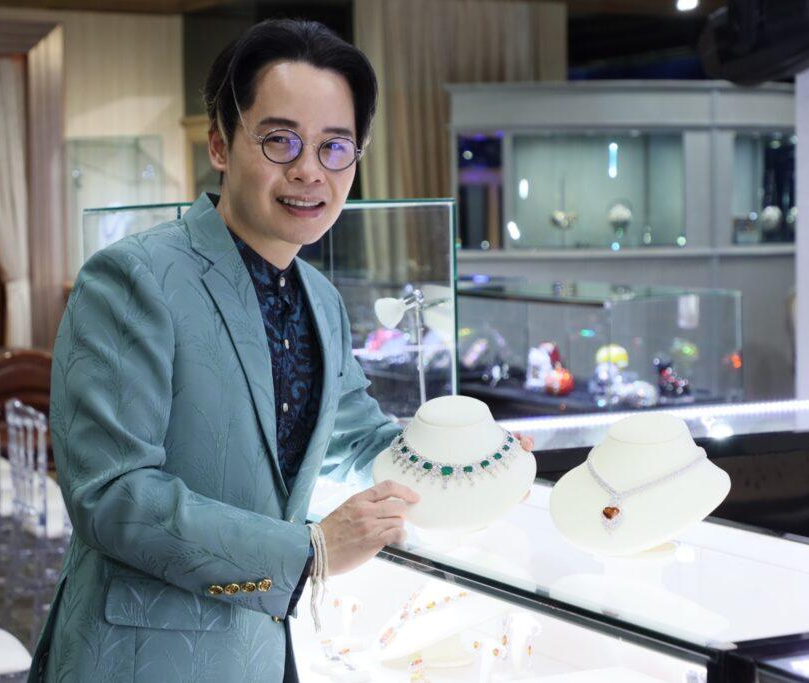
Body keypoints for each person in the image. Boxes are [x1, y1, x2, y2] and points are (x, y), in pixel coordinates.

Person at [29, 18, 532, 682]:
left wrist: (470, 457)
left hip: (265, 654)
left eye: (334, 147)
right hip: (141, 660)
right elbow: (112, 495)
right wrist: (311, 551)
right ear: (220, 143)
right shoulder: (133, 278)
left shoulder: (320, 299)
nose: (308, 171)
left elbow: (358, 444)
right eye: (280, 140)